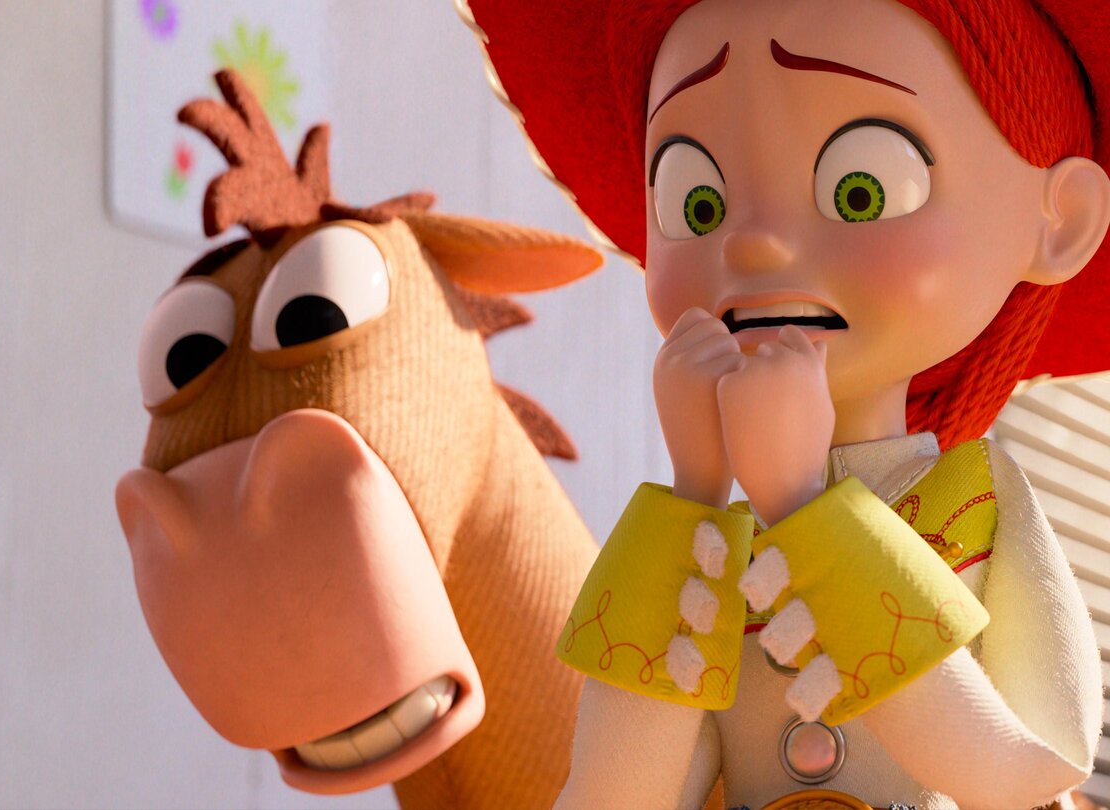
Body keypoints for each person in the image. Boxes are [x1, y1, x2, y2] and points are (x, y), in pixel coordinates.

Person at [461, 0, 1110, 807]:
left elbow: (1016, 772)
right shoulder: (717, 550)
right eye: (698, 204)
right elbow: (612, 797)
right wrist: (693, 498)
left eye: (861, 190)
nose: (751, 242)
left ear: (1061, 220)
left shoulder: (982, 508)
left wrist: (806, 512)